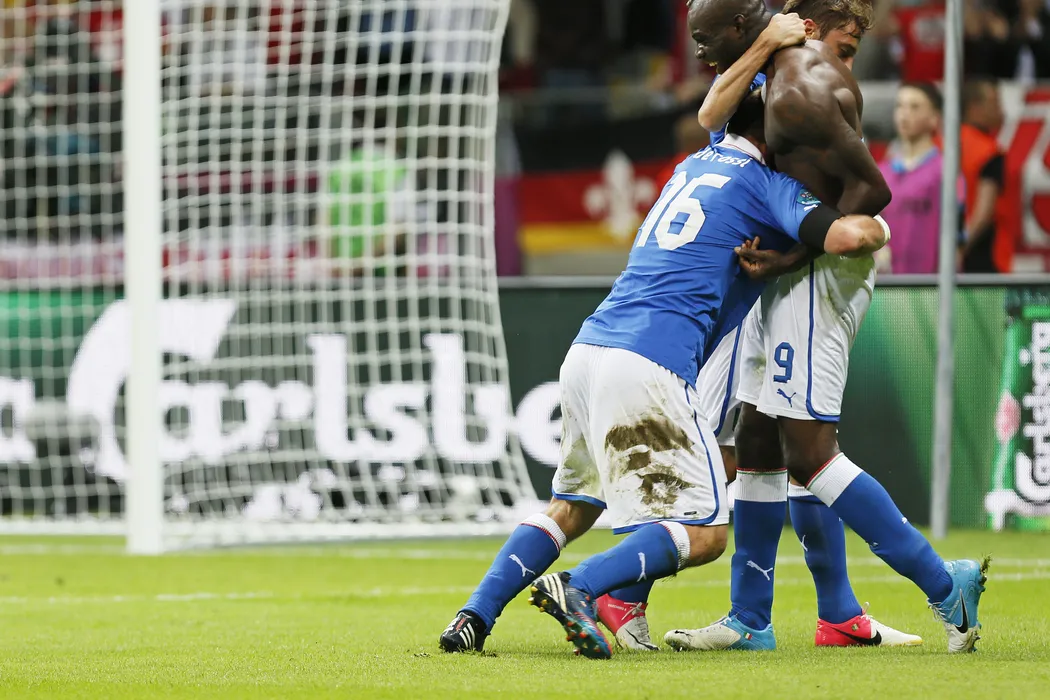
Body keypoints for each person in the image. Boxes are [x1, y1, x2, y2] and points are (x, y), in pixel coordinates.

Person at [439, 92, 889, 658]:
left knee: (572, 506)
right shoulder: (767, 185)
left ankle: (474, 615)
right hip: (652, 363)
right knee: (706, 534)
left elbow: (716, 109)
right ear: (774, 137)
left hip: (588, 349)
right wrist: (874, 225)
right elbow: (850, 236)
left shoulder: (692, 165)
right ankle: (579, 586)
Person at [666, 0, 988, 655]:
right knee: (757, 438)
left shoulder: (800, 94)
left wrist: (791, 254)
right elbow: (710, 115)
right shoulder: (768, 77)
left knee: (809, 452)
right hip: (787, 271)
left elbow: (872, 192)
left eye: (708, 37)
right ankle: (749, 618)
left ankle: (943, 582)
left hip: (819, 272)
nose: (701, 50)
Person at [596, 4, 914, 653]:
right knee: (729, 450)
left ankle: (823, 613)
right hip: (737, 289)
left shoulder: (790, 95)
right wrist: (855, 231)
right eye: (842, 50)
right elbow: (713, 114)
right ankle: (624, 590)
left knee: (785, 447)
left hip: (769, 281)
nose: (841, 72)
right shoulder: (770, 94)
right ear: (803, 31)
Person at [878, 82, 953, 274]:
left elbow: (957, 236)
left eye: (914, 107)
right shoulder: (881, 172)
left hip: (930, 284)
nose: (904, 114)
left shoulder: (945, 171)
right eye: (900, 106)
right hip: (889, 285)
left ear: (934, 119)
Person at [960, 78, 1008, 273]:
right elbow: (983, 213)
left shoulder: (940, 144)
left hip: (940, 254)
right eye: (995, 102)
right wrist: (959, 248)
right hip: (984, 257)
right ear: (975, 107)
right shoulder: (989, 152)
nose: (1001, 110)